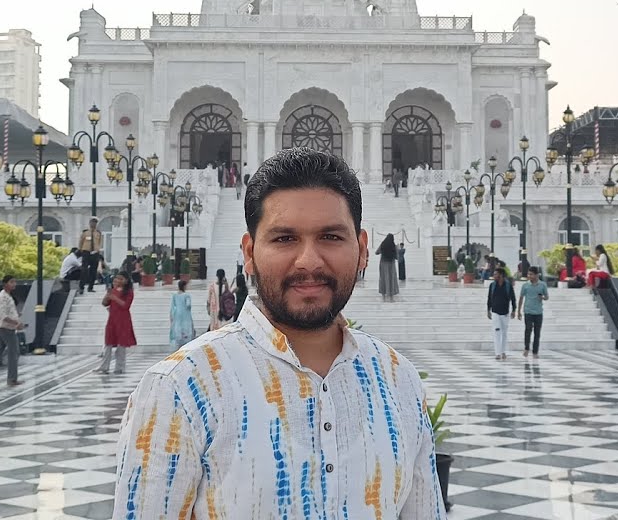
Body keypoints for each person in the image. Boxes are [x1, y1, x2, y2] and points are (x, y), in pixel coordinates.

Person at [113, 147, 444, 517]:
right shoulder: (183, 389)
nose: (308, 261)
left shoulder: (398, 380)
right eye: (284, 239)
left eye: (331, 237)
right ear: (250, 252)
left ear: (362, 249)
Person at [100, 272, 137, 374]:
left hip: (123, 321)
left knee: (121, 345)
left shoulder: (129, 292)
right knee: (108, 343)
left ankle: (119, 367)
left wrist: (115, 298)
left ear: (126, 281)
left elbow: (126, 306)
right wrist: (108, 296)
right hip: (112, 320)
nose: (118, 281)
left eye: (121, 279)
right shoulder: (112, 291)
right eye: (117, 278)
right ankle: (104, 367)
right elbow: (104, 303)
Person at [486, 267, 517, 361]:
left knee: (504, 333)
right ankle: (497, 353)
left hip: (505, 313)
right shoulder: (492, 285)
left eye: (496, 274)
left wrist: (514, 310)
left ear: (501, 275)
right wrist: (488, 310)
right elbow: (489, 298)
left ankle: (503, 351)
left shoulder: (508, 285)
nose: (494, 276)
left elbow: (513, 298)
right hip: (495, 312)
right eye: (494, 274)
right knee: (496, 331)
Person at [518, 266, 548, 359]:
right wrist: (518, 311)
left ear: (536, 275)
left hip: (538, 312)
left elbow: (547, 297)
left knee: (537, 333)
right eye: (528, 274)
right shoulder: (525, 285)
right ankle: (526, 348)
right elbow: (521, 298)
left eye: (531, 274)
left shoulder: (542, 285)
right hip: (528, 311)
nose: (529, 276)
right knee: (528, 330)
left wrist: (542, 298)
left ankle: (535, 351)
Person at [78, 218, 103, 294]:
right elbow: (81, 242)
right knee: (84, 270)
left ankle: (90, 287)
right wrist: (81, 250)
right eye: (92, 222)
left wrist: (97, 250)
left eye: (95, 223)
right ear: (89, 223)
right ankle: (81, 287)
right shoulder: (85, 233)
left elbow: (100, 243)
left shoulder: (98, 233)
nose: (93, 224)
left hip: (95, 253)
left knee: (93, 271)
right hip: (86, 252)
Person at [169, 278, 195, 350]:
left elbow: (172, 306)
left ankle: (178, 341)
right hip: (185, 314)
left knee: (178, 327)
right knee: (186, 327)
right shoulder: (186, 295)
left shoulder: (175, 295)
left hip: (177, 314)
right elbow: (188, 305)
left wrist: (171, 316)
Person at [376, 232, 399, 302]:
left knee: (383, 278)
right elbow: (397, 257)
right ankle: (391, 296)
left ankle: (383, 296)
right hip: (391, 264)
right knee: (391, 279)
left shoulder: (383, 244)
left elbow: (376, 252)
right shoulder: (393, 246)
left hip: (383, 263)